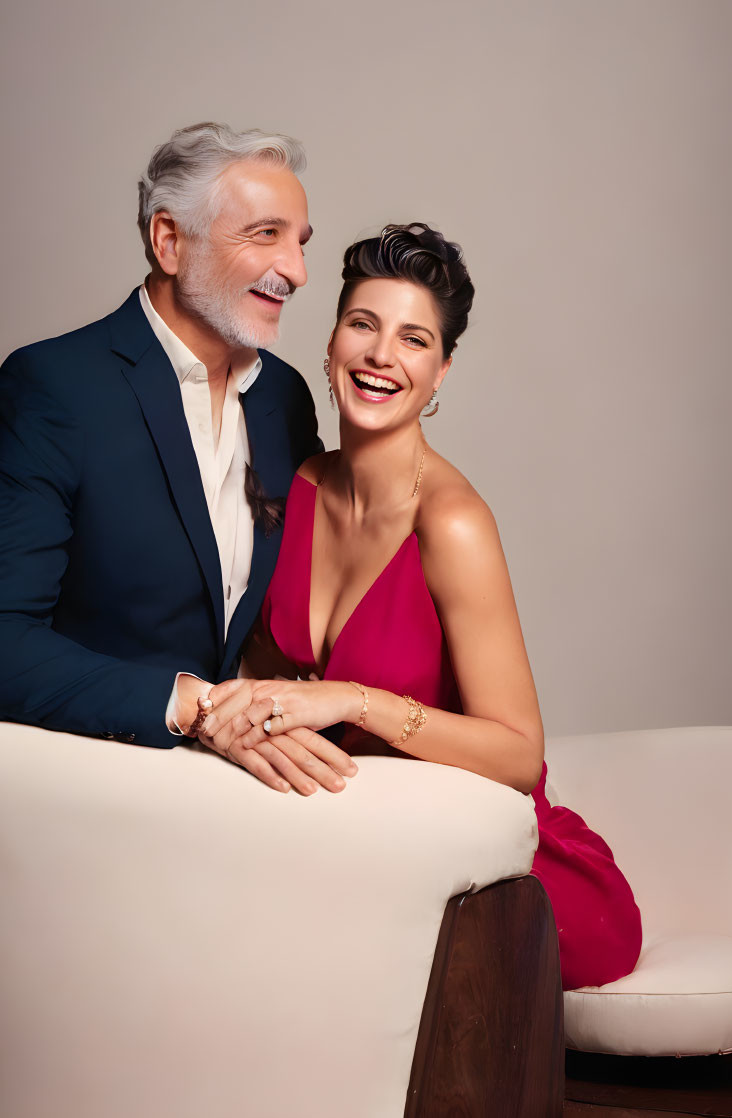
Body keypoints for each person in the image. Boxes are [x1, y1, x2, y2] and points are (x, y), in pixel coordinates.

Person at [192, 223, 642, 990]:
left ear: (441, 373)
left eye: (412, 340)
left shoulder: (453, 522)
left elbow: (516, 754)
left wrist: (356, 702)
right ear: (331, 343)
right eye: (362, 325)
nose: (379, 356)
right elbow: (262, 683)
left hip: (496, 876)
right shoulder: (291, 493)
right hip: (354, 843)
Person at [0, 122, 357, 797]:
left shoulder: (284, 398)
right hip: (100, 795)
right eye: (264, 235)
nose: (297, 272)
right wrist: (197, 707)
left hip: (249, 798)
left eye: (299, 244)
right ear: (168, 241)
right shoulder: (58, 386)